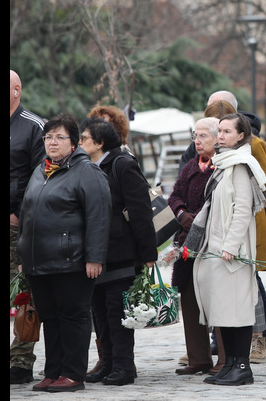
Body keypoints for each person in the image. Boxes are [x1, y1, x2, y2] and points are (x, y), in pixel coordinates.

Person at [17, 114, 111, 393]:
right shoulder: (40, 170)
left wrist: (95, 257)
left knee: (73, 317)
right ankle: (53, 371)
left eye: (60, 137)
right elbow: (27, 214)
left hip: (72, 261)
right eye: (48, 137)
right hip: (39, 262)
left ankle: (72, 373)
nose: (52, 142)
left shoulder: (87, 171)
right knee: (50, 318)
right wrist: (24, 256)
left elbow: (99, 217)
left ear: (74, 143)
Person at [188, 113, 266, 386]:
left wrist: (231, 245)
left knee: (237, 309)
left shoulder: (241, 165)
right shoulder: (224, 164)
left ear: (241, 136)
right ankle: (231, 363)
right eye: (219, 131)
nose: (220, 136)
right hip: (219, 247)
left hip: (232, 251)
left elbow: (243, 209)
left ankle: (242, 366)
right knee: (224, 310)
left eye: (226, 132)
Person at [78, 117, 157, 386]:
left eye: (84, 138)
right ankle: (108, 362)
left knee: (117, 312)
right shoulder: (87, 166)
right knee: (99, 311)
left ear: (99, 143)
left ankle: (124, 366)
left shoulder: (122, 164)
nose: (80, 143)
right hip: (97, 253)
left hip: (122, 253)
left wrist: (148, 255)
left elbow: (141, 211)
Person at [167, 117, 221, 376]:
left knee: (216, 301)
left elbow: (216, 205)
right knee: (188, 298)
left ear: (217, 137)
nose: (197, 141)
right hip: (186, 243)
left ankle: (223, 358)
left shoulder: (221, 167)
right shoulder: (191, 166)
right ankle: (198, 358)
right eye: (195, 136)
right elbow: (174, 195)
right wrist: (182, 215)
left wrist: (195, 220)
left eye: (203, 136)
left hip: (210, 242)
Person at [10, 70, 45, 384]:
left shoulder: (34, 126)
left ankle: (20, 361)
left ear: (16, 90)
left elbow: (42, 175)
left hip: (17, 226)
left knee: (23, 294)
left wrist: (20, 214)